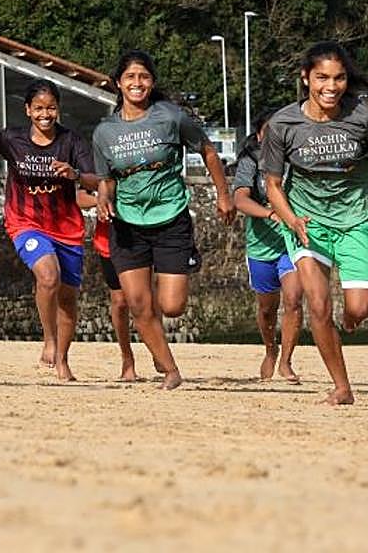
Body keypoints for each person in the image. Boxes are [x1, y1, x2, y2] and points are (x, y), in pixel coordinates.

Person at [262, 42, 368, 405]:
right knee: (317, 306)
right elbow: (272, 185)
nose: (331, 86)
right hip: (306, 224)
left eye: (339, 77)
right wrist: (291, 218)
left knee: (358, 309)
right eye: (322, 77)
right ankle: (342, 387)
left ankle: (346, 322)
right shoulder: (283, 123)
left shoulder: (363, 117)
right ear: (305, 78)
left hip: (355, 220)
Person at [93, 50, 235, 390]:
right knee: (137, 302)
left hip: (171, 219)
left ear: (151, 82)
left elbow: (208, 151)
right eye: (130, 77)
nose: (137, 83)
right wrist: (103, 198)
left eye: (143, 77)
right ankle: (170, 369)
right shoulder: (104, 132)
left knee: (172, 306)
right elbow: (106, 178)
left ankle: (155, 329)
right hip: (127, 225)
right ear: (118, 84)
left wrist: (223, 194)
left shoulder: (171, 117)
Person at [0, 79, 97, 381]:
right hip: (24, 222)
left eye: (51, 108)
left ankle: (63, 360)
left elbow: (96, 181)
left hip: (66, 226)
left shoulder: (72, 142)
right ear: (28, 110)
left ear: (58, 110)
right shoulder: (13, 138)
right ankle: (50, 339)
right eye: (39, 108)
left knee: (67, 298)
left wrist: (75, 174)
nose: (45, 114)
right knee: (47, 275)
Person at [232, 110, 302, 382]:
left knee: (294, 300)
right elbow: (240, 199)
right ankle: (270, 350)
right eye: (269, 131)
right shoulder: (251, 161)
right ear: (259, 135)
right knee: (266, 309)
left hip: (293, 242)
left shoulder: (297, 160)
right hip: (261, 245)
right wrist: (272, 213)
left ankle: (286, 360)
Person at [85, 200, 137, 382]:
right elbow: (78, 197)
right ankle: (127, 359)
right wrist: (101, 200)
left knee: (145, 298)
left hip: (143, 233)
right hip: (109, 240)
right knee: (120, 302)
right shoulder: (95, 171)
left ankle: (157, 350)